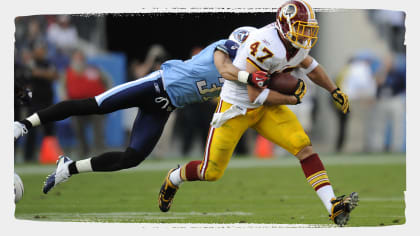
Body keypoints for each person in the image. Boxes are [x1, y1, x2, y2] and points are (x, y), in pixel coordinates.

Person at [158, 0, 358, 227]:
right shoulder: (264, 45)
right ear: (285, 25)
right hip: (237, 108)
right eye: (301, 29)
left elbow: (310, 66)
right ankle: (174, 177)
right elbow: (256, 96)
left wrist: (334, 90)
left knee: (304, 147)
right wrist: (291, 99)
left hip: (266, 108)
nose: (305, 36)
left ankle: (332, 205)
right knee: (210, 171)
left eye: (307, 30)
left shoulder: (296, 42)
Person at [14, 27, 270, 195]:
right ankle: (25, 124)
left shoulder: (240, 75)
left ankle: (68, 168)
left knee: (132, 158)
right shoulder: (225, 48)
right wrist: (255, 78)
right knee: (93, 105)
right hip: (154, 85)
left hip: (166, 106)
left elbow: (249, 91)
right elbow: (226, 70)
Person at [62, 49, 112, 157]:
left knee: (99, 130)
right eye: (77, 58)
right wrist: (64, 97)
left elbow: (108, 81)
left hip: (96, 103)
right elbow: (62, 87)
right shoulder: (68, 72)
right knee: (78, 130)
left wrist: (108, 95)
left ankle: (99, 152)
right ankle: (83, 152)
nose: (79, 60)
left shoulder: (94, 69)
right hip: (76, 104)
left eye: (81, 58)